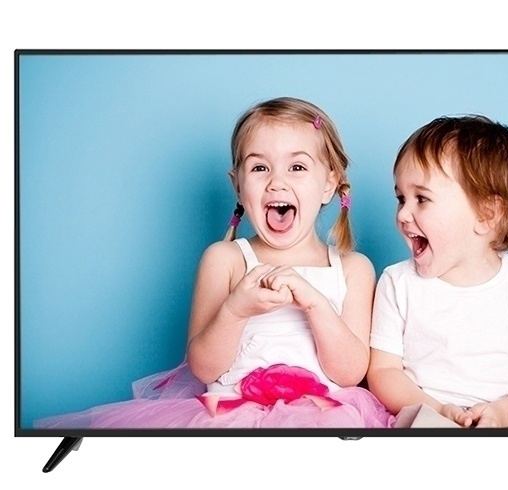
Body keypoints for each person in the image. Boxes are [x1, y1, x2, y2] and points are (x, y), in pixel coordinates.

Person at [36, 97, 392, 429]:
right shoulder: (225, 259)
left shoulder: (353, 269)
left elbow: (350, 374)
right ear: (237, 185)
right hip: (230, 416)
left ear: (329, 183)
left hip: (323, 418)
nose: (276, 182)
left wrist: (315, 303)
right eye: (260, 167)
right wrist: (236, 309)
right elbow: (204, 368)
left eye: (297, 167)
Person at [367, 115, 508, 428]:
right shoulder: (398, 283)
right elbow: (383, 372)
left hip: (505, 424)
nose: (403, 214)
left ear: (486, 214)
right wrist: (438, 410)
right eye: (401, 198)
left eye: (421, 199)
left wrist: (502, 414)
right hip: (425, 418)